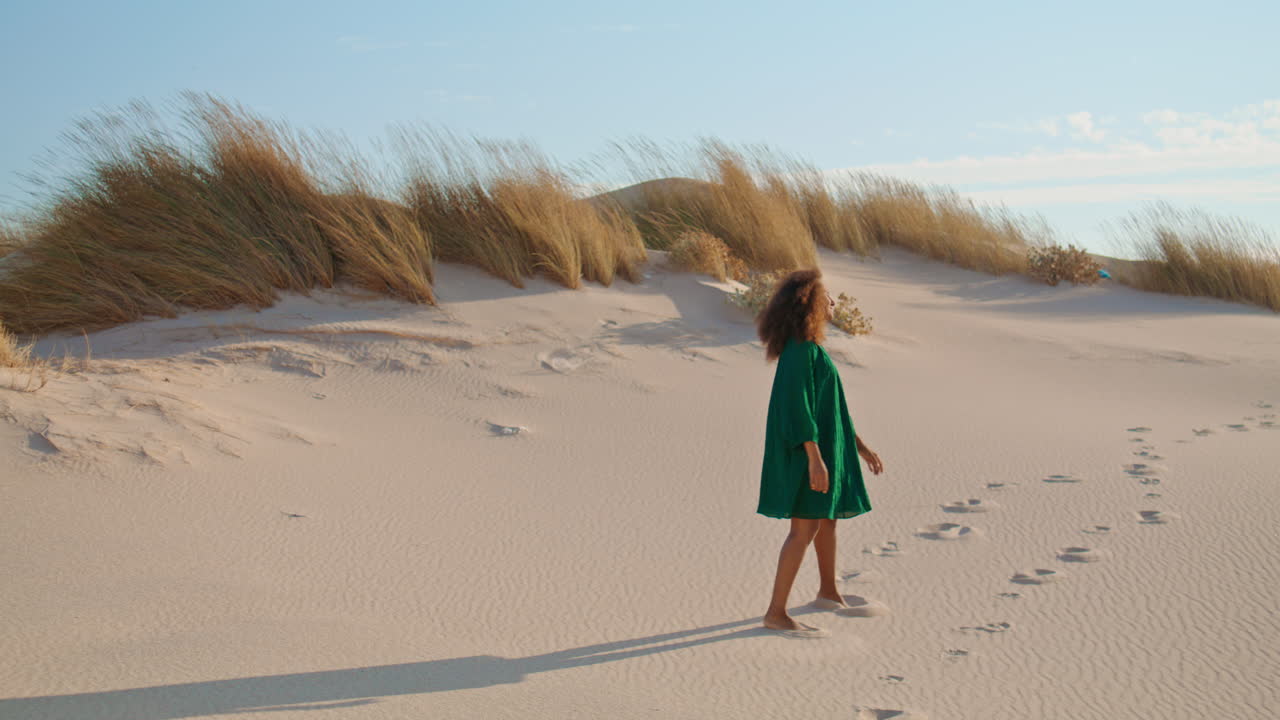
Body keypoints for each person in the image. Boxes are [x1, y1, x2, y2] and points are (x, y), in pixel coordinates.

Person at [756, 268, 884, 638]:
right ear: (810, 304)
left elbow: (831, 408)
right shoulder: (800, 351)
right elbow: (798, 407)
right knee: (804, 528)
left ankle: (828, 591)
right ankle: (776, 613)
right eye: (827, 297)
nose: (832, 302)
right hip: (806, 452)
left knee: (827, 520)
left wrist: (858, 446)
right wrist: (814, 457)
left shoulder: (811, 348)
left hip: (825, 448)